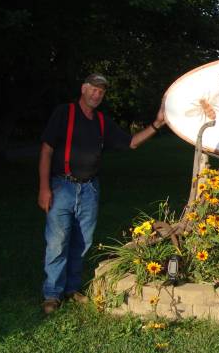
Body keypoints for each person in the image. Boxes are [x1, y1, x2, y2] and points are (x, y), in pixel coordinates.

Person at [38, 73, 165, 314]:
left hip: (89, 189)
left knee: (82, 242)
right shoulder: (64, 113)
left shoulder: (101, 121)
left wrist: (158, 123)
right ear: (84, 88)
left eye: (101, 91)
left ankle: (71, 289)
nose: (97, 94)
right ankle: (52, 294)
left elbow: (131, 143)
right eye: (94, 89)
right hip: (62, 186)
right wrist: (44, 188)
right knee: (57, 242)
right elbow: (46, 150)